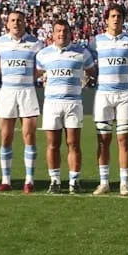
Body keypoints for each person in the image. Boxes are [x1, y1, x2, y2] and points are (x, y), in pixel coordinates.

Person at [89, 4, 128, 196]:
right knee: (103, 140)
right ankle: (104, 182)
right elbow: (86, 61)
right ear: (106, 19)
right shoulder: (96, 42)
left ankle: (124, 183)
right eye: (112, 16)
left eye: (119, 16)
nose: (116, 19)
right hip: (103, 95)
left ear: (123, 20)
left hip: (125, 95)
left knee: (124, 139)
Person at [35, 19, 96, 194]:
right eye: (58, 31)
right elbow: (35, 74)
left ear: (71, 34)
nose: (62, 34)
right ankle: (54, 181)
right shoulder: (43, 54)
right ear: (53, 34)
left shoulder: (81, 53)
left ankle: (74, 181)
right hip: (52, 103)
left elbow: (93, 72)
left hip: (73, 103)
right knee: (52, 144)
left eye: (65, 31)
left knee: (73, 143)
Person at [0, 10, 43, 194]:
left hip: (27, 91)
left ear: (25, 22)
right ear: (7, 24)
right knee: (6, 137)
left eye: (20, 20)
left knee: (29, 136)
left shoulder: (35, 44)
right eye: (13, 20)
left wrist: (31, 78)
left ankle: (29, 180)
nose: (16, 23)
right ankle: (5, 180)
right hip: (7, 91)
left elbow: (41, 67)